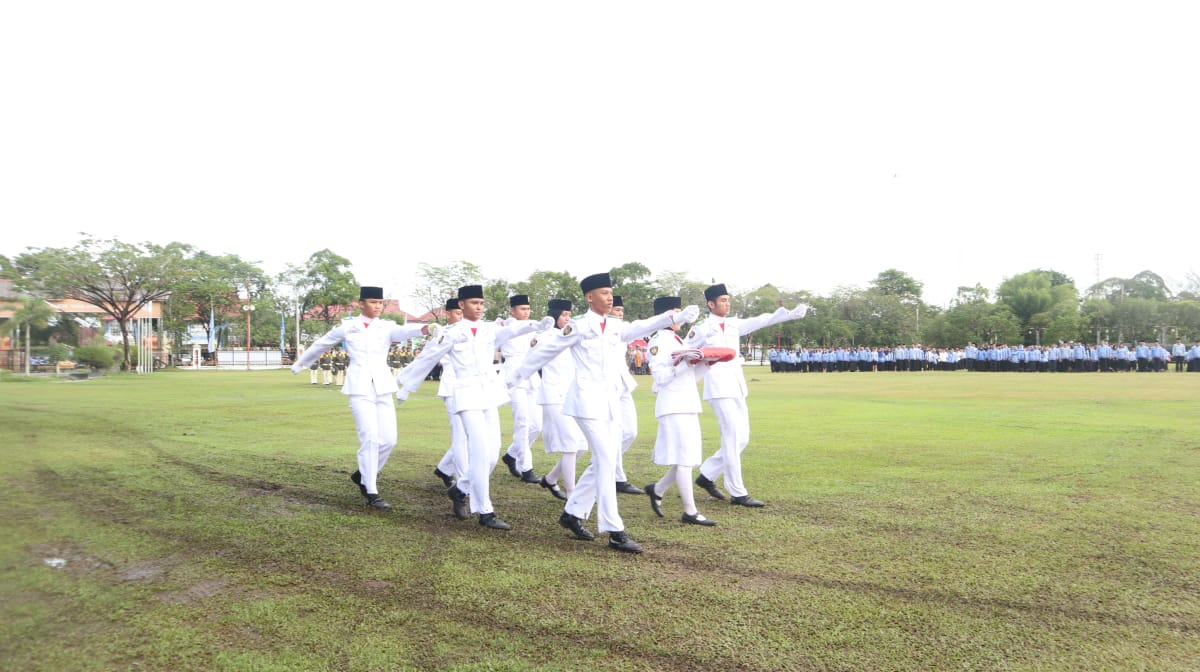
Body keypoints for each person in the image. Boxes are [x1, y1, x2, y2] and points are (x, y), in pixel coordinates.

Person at [509, 273, 698, 554]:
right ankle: (614, 529)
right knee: (607, 460)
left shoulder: (614, 325)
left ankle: (573, 513)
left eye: (611, 293)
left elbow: (640, 326)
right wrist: (516, 376)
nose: (609, 298)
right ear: (589, 297)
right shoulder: (579, 326)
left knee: (603, 462)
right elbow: (545, 351)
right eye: (604, 293)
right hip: (586, 403)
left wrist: (670, 317)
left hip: (609, 403)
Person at [397, 285, 551, 531]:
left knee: (491, 455)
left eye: (481, 303)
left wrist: (535, 325)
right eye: (473, 303)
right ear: (461, 305)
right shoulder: (451, 332)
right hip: (466, 395)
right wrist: (406, 386)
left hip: (489, 394)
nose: (478, 308)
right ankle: (485, 510)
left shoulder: (489, 329)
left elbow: (512, 331)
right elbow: (427, 358)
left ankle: (459, 489)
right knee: (479, 451)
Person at [290, 286, 431, 509]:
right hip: (359, 388)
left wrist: (424, 328)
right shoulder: (348, 327)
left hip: (383, 387)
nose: (377, 306)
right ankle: (371, 490)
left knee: (389, 440)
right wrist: (301, 363)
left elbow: (405, 332)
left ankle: (364, 473)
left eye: (380, 302)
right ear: (361, 303)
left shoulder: (386, 327)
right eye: (373, 302)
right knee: (370, 438)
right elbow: (321, 344)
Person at [686, 283, 808, 507]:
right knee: (731, 438)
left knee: (742, 438)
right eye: (723, 300)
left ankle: (707, 475)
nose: (727, 303)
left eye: (728, 300)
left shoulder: (733, 324)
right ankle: (738, 492)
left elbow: (762, 320)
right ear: (710, 304)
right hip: (718, 387)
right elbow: (685, 351)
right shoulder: (702, 328)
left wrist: (789, 316)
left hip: (737, 386)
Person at [643, 296, 718, 527]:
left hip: (686, 403)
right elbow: (661, 377)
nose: (682, 317)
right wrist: (686, 363)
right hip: (673, 405)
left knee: (689, 457)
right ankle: (690, 511)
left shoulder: (675, 338)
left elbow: (688, 377)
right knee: (685, 458)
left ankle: (657, 489)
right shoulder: (657, 341)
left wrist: (705, 364)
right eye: (677, 312)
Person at [533, 299, 584, 501]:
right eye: (564, 315)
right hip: (553, 394)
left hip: (571, 394)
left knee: (581, 445)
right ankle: (573, 493)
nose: (567, 319)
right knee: (571, 444)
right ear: (554, 316)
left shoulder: (572, 335)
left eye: (569, 315)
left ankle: (552, 478)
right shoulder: (544, 336)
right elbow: (533, 356)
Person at [498, 294, 544, 484]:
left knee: (536, 426)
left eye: (528, 309)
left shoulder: (534, 326)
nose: (526, 312)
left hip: (532, 376)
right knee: (522, 423)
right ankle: (527, 468)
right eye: (522, 309)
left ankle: (511, 455)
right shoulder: (504, 327)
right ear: (512, 310)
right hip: (513, 377)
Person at [431, 298, 465, 489]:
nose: (461, 317)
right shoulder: (444, 333)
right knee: (460, 436)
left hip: (468, 388)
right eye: (458, 313)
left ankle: (444, 469)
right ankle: (462, 483)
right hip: (452, 387)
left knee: (468, 436)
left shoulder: (468, 330)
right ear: (448, 314)